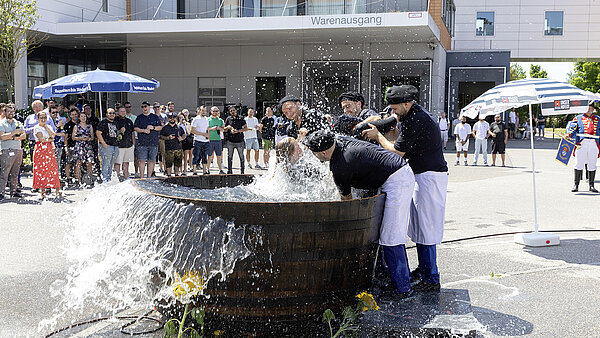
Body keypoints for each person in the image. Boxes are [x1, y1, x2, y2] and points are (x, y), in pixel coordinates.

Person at [306, 130, 416, 297]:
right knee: (387, 235)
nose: (313, 156)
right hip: (393, 171)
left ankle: (403, 289)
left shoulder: (341, 166)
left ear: (323, 152)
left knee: (391, 237)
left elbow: (347, 203)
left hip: (397, 179)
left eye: (313, 153)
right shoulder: (338, 141)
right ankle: (392, 278)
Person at [362, 85, 448, 292]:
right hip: (421, 174)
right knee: (418, 227)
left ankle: (431, 276)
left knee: (426, 227)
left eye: (395, 107)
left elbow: (397, 151)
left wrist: (378, 136)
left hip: (430, 176)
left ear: (407, 103)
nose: (393, 111)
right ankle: (425, 270)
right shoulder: (413, 114)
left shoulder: (415, 120)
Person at [567, 102, 600, 193]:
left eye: (591, 108)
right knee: (578, 163)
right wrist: (568, 135)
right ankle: (576, 185)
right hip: (582, 143)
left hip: (594, 143)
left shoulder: (598, 119)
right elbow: (572, 129)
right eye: (588, 108)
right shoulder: (578, 118)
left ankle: (591, 185)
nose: (589, 109)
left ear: (594, 109)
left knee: (592, 164)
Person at [0, 104, 26, 200]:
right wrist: (14, 133)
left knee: (15, 173)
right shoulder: (2, 123)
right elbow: (2, 137)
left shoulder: (18, 123)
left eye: (12, 111)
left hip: (18, 150)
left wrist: (14, 137)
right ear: (5, 112)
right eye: (9, 111)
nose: (11, 113)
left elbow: (24, 136)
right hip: (6, 150)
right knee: (5, 172)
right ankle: (1, 193)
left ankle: (14, 191)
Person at [33, 111, 61, 199]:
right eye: (41, 118)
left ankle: (57, 190)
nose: (43, 119)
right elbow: (42, 139)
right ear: (38, 119)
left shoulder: (48, 126)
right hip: (40, 150)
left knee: (53, 168)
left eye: (44, 117)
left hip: (49, 149)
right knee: (41, 170)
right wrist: (50, 138)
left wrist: (46, 127)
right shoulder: (36, 127)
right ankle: (43, 191)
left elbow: (53, 135)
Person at [133, 101, 163, 178]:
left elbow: (160, 127)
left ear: (149, 107)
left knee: (151, 161)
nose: (144, 108)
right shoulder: (139, 117)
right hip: (142, 143)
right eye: (142, 107)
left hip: (153, 142)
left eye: (145, 106)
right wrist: (143, 130)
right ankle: (142, 177)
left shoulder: (155, 117)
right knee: (142, 160)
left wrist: (153, 127)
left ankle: (149, 178)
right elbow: (135, 128)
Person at [96, 108, 120, 183]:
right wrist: (103, 143)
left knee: (111, 164)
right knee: (105, 163)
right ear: (106, 114)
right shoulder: (103, 122)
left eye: (113, 113)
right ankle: (104, 180)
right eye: (110, 113)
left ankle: (109, 179)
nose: (112, 114)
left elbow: (116, 134)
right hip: (107, 146)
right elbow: (98, 133)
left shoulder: (116, 123)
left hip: (115, 146)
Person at [72, 111, 95, 188]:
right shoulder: (76, 126)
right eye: (81, 116)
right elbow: (73, 137)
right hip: (79, 145)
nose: (83, 118)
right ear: (79, 117)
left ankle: (90, 179)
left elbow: (92, 137)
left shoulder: (90, 126)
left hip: (87, 145)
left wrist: (88, 139)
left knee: (89, 162)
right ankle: (78, 180)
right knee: (78, 163)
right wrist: (81, 138)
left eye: (84, 116)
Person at [224, 106, 248, 174]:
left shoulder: (241, 118)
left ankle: (242, 171)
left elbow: (246, 128)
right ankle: (229, 171)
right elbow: (224, 129)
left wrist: (238, 131)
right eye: (231, 111)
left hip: (239, 141)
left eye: (233, 110)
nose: (232, 112)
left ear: (236, 111)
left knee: (241, 156)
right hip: (230, 141)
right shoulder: (228, 119)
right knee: (229, 156)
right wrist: (227, 127)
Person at [114, 105, 135, 181]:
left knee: (126, 163)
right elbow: (112, 133)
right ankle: (116, 178)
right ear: (118, 112)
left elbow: (132, 132)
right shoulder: (115, 120)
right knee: (117, 163)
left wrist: (133, 144)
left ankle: (126, 178)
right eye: (121, 111)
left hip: (129, 145)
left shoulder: (129, 121)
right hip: (119, 146)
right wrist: (119, 131)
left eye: (124, 111)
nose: (123, 113)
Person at [191, 106, 210, 175]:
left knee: (205, 156)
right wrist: (202, 134)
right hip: (197, 140)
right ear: (199, 111)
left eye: (205, 111)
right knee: (196, 156)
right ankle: (194, 171)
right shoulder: (196, 119)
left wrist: (208, 137)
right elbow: (192, 131)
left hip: (205, 141)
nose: (204, 112)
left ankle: (204, 171)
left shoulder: (207, 119)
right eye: (203, 110)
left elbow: (207, 129)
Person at [207, 106, 225, 174]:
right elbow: (205, 129)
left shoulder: (220, 120)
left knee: (219, 156)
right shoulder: (208, 119)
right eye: (213, 111)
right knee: (209, 156)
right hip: (210, 140)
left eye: (216, 111)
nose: (215, 112)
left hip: (218, 140)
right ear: (211, 111)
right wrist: (212, 128)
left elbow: (223, 130)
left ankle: (220, 170)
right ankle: (207, 170)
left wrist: (219, 128)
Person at [63, 108, 79, 185]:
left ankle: (76, 178)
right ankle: (68, 178)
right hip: (70, 145)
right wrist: (66, 148)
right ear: (70, 115)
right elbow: (65, 138)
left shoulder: (80, 123)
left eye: (75, 114)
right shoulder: (67, 125)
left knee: (77, 163)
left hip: (79, 146)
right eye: (72, 114)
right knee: (68, 163)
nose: (74, 116)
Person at [50, 105, 67, 177]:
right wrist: (57, 127)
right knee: (50, 163)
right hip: (50, 145)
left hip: (59, 145)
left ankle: (56, 178)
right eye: (53, 112)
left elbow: (63, 133)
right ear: (50, 113)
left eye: (56, 112)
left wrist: (56, 133)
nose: (55, 114)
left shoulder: (58, 121)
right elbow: (50, 133)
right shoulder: (48, 122)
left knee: (57, 163)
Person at [179, 109, 194, 174]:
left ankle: (184, 171)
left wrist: (185, 124)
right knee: (180, 157)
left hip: (187, 141)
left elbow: (189, 132)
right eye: (180, 118)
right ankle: (180, 170)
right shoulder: (177, 125)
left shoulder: (187, 123)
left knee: (186, 156)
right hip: (179, 141)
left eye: (182, 118)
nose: (182, 119)